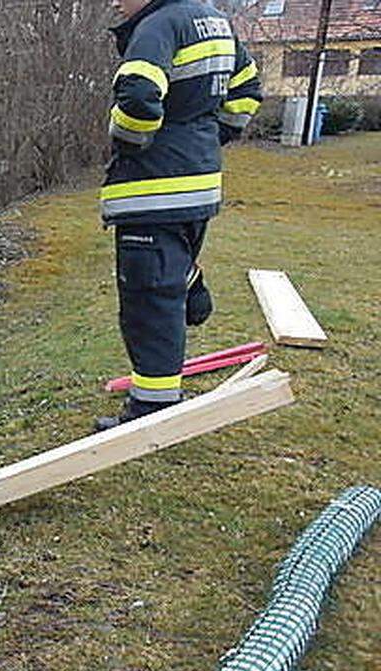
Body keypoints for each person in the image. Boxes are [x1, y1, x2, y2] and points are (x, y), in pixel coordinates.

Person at [95, 0, 262, 431]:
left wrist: (131, 142)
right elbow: (246, 90)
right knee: (165, 268)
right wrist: (208, 136)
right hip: (196, 186)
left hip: (153, 191)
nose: (113, 3)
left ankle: (153, 406)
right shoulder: (215, 21)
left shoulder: (157, 26)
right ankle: (188, 284)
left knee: (147, 302)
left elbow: (136, 96)